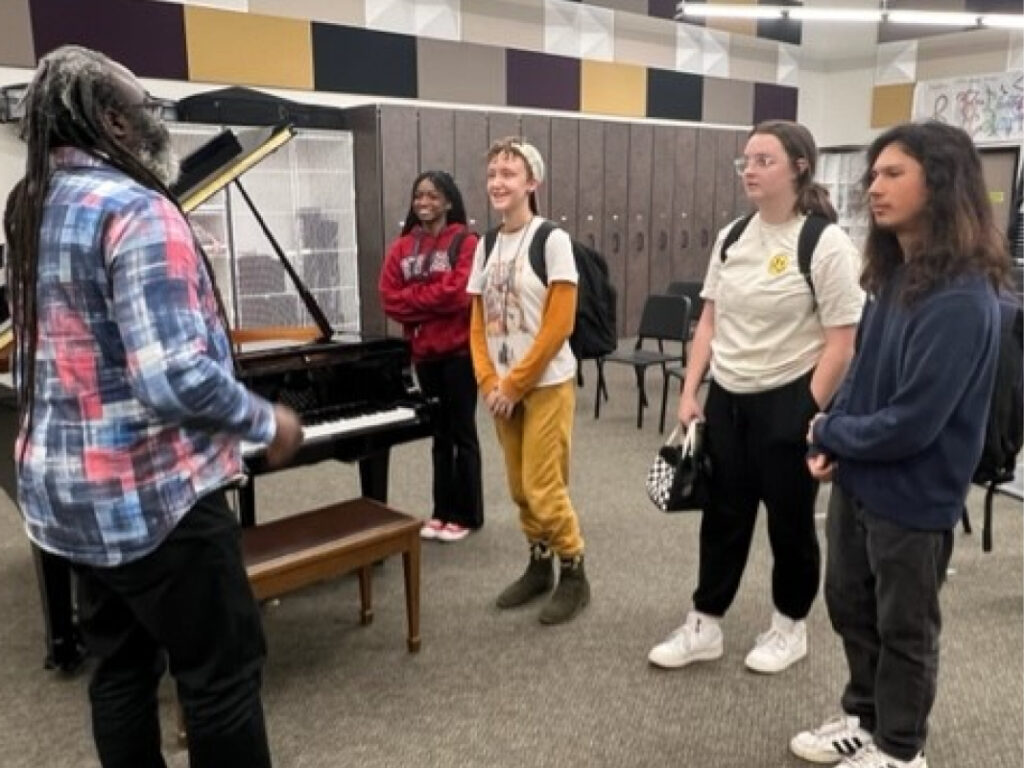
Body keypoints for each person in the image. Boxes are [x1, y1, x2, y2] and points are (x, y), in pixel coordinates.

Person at [3, 45, 303, 768]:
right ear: (110, 120)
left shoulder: (29, 204)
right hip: (155, 503)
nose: (155, 123)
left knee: (121, 673)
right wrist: (269, 422)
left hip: (70, 503)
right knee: (219, 683)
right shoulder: (138, 209)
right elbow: (172, 378)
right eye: (146, 111)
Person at [790, 122, 1006, 768]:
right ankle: (864, 715)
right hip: (862, 481)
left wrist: (831, 431)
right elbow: (861, 369)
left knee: (904, 627)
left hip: (914, 496)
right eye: (874, 175)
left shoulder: (963, 297)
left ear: (939, 185)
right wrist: (835, 428)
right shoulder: (896, 276)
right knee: (850, 603)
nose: (874, 188)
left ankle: (901, 748)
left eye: (894, 174)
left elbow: (914, 420)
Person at [648, 121, 864, 673]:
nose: (749, 168)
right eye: (745, 159)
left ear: (798, 167)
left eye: (764, 160)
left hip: (789, 397)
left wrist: (805, 408)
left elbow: (843, 340)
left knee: (789, 522)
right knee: (722, 516)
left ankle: (789, 627)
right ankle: (705, 623)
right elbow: (709, 319)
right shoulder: (733, 235)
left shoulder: (824, 242)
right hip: (728, 398)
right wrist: (690, 390)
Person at [466, 137, 589, 625]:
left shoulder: (551, 240)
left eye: (509, 173)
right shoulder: (487, 244)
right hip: (500, 388)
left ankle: (574, 569)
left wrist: (515, 383)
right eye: (493, 171)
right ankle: (539, 565)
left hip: (546, 383)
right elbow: (477, 320)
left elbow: (560, 324)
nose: (498, 181)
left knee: (544, 485)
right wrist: (487, 381)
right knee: (519, 488)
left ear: (531, 183)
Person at [379, 171, 483, 543]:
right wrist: (430, 303)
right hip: (425, 355)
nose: (424, 203)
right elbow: (389, 297)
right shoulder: (403, 247)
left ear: (449, 202)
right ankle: (441, 512)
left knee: (463, 434)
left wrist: (416, 302)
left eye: (433, 196)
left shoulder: (467, 241)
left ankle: (468, 514)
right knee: (439, 435)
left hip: (459, 353)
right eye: (419, 196)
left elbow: (459, 294)